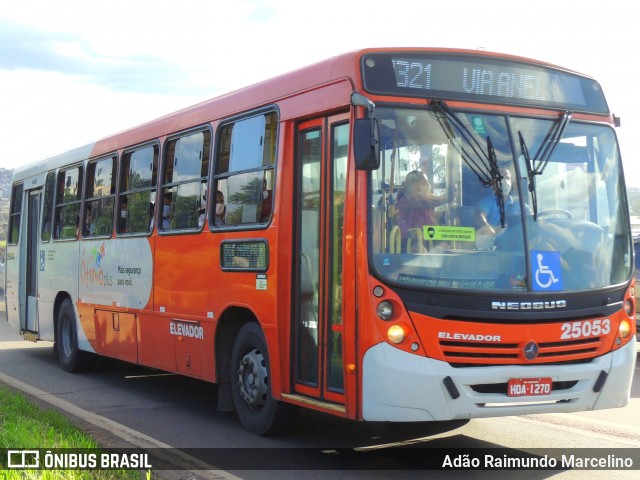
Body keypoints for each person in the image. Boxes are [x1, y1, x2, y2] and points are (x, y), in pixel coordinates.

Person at [394, 170, 447, 249]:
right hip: (409, 242)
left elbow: (437, 199)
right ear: (414, 185)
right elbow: (424, 204)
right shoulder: (405, 200)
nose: (427, 185)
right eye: (424, 183)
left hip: (428, 238)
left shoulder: (428, 197)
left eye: (427, 182)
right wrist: (444, 199)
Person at [476, 167, 526, 235]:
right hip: (494, 242)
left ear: (511, 182)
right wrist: (487, 228)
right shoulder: (487, 202)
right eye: (501, 178)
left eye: (507, 178)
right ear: (494, 182)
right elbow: (479, 216)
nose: (505, 181)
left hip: (517, 243)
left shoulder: (520, 205)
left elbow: (532, 219)